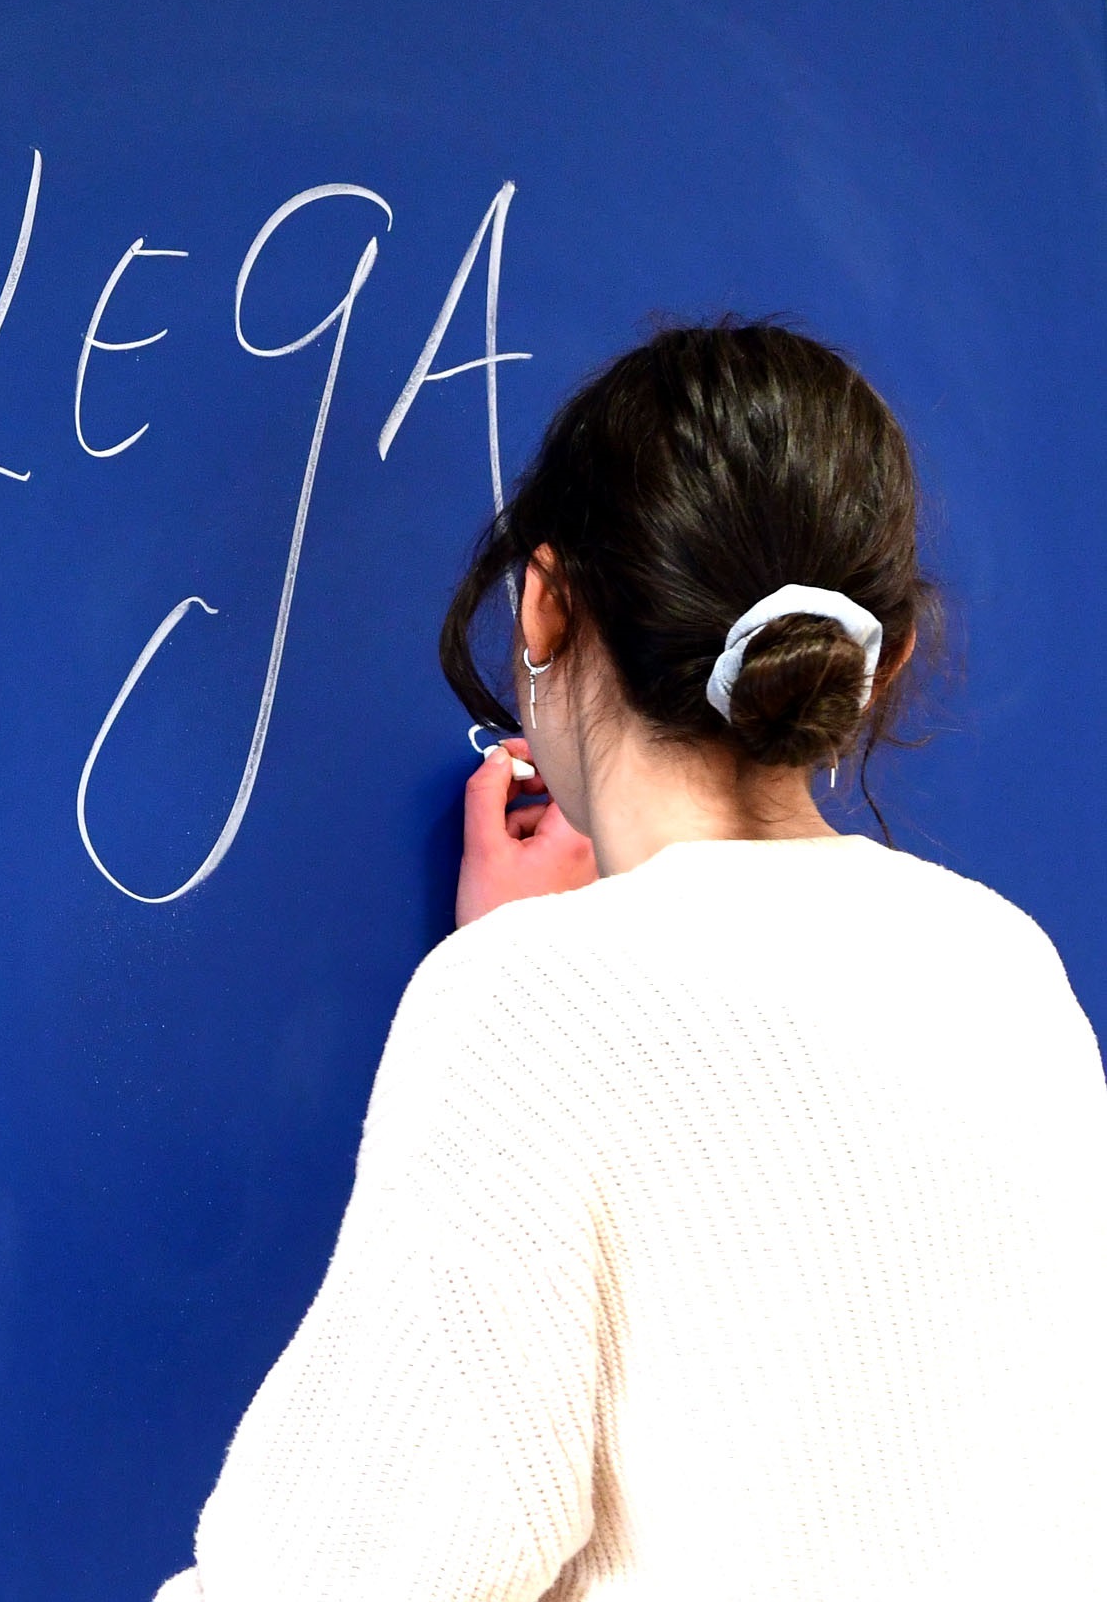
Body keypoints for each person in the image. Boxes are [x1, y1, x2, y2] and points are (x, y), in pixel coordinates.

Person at [154, 321, 1107, 1598]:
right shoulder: (1003, 970)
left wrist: (528, 982)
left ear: (544, 601)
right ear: (877, 664)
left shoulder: (527, 1017)